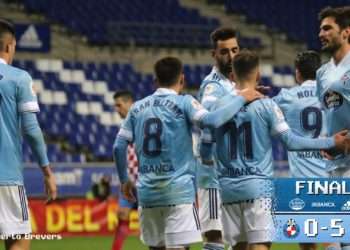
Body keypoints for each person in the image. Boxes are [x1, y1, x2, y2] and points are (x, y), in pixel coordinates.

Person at [200, 50, 350, 250]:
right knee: (333, 236)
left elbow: (205, 144)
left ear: (233, 76)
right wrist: (331, 142)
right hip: (266, 187)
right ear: (258, 75)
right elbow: (290, 141)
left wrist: (209, 161)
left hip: (229, 189)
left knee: (240, 246)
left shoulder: (219, 107)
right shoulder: (269, 105)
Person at [113, 56, 263, 250]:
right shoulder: (185, 103)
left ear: (155, 81)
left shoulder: (137, 108)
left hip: (148, 194)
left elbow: (118, 146)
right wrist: (242, 98)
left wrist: (124, 180)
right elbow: (211, 121)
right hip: (178, 193)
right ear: (182, 80)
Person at [274, 50, 341, 250]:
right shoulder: (332, 95)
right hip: (329, 177)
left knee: (306, 243)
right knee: (331, 237)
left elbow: (264, 111)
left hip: (300, 182)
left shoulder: (287, 96)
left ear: (297, 73)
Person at [0, 19, 57, 250]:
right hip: (6, 177)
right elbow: (31, 130)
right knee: (19, 240)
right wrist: (47, 172)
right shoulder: (18, 77)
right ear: (9, 46)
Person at [196, 27, 240, 250]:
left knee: (240, 239)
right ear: (214, 55)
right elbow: (208, 119)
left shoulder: (234, 83)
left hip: (232, 172)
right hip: (213, 175)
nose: (231, 56)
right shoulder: (213, 85)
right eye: (224, 52)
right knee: (214, 236)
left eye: (235, 50)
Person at [316, 6, 350, 250]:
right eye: (320, 28)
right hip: (333, 167)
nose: (321, 33)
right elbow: (328, 113)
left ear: (346, 32)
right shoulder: (322, 73)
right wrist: (326, 141)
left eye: (327, 28)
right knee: (334, 238)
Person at [111, 90, 139, 250]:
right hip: (128, 180)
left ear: (130, 103)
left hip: (143, 179)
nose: (117, 109)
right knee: (122, 213)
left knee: (150, 221)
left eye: (119, 105)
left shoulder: (140, 120)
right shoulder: (125, 124)